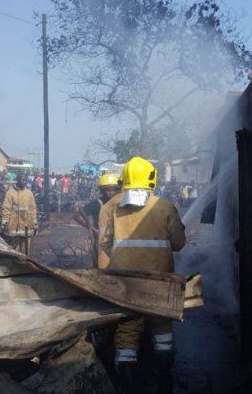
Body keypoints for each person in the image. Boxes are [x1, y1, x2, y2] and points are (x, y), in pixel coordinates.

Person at [98, 156, 186, 393]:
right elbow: (179, 243)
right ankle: (164, 379)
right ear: (151, 178)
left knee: (127, 329)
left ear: (125, 179)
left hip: (127, 282)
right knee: (162, 328)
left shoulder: (113, 208)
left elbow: (104, 243)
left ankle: (126, 384)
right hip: (159, 281)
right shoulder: (165, 207)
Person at [73, 173, 120, 268]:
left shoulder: (118, 203)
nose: (111, 193)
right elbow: (77, 215)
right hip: (100, 243)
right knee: (100, 266)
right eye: (108, 190)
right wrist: (90, 227)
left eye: (114, 190)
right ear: (102, 191)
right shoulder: (97, 204)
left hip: (115, 240)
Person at [0, 172, 38, 255]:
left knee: (26, 251)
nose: (24, 182)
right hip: (14, 226)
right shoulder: (10, 193)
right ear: (17, 180)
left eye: (25, 180)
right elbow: (6, 208)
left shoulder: (29, 193)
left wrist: (35, 224)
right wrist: (4, 223)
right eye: (22, 179)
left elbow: (33, 209)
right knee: (13, 251)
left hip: (27, 225)